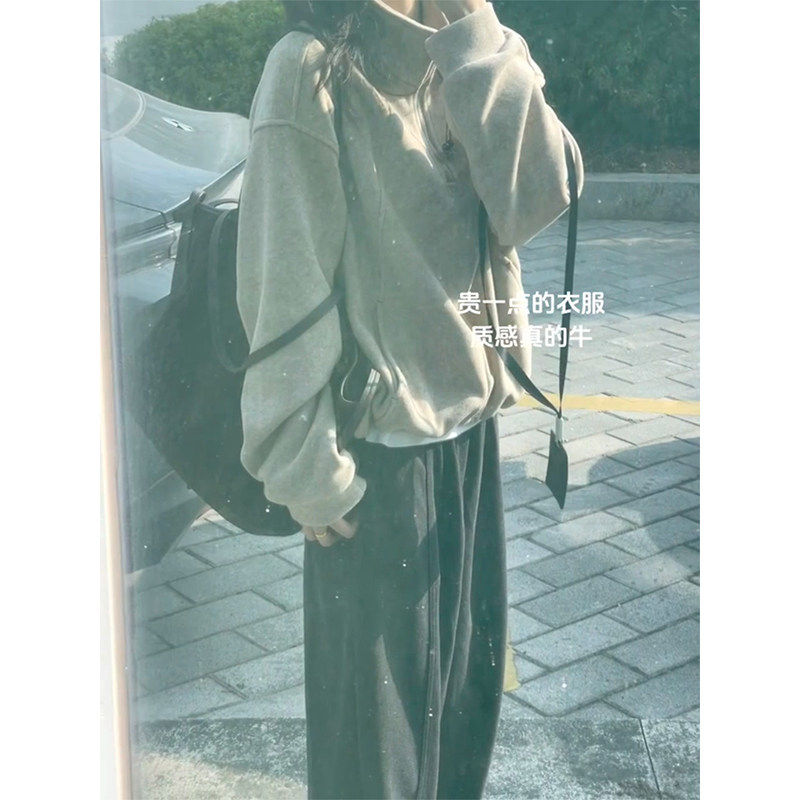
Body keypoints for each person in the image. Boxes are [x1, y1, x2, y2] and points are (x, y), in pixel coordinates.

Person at [235, 1, 583, 797]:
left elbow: (539, 195)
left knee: (461, 736)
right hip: (377, 470)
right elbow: (280, 280)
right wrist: (307, 471)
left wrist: (478, 38)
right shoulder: (309, 68)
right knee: (376, 771)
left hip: (470, 446)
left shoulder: (469, 53)